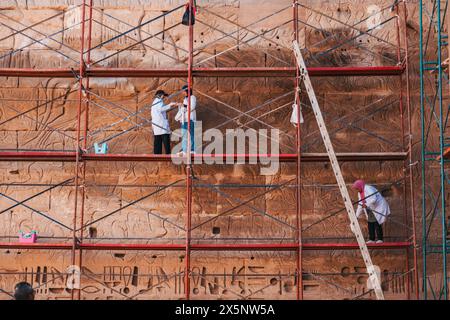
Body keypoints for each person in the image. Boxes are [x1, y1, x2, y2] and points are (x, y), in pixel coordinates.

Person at [352, 179, 391, 244]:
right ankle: (372, 239)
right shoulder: (360, 193)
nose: (357, 190)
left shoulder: (368, 188)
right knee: (370, 223)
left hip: (379, 207)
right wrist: (356, 216)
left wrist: (366, 204)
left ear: (360, 186)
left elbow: (374, 199)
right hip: (371, 208)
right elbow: (360, 205)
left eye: (357, 188)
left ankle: (380, 239)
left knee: (377, 222)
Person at [151, 90, 176, 154]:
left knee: (157, 141)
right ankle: (168, 154)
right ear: (161, 95)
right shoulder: (159, 102)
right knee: (165, 140)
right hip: (161, 124)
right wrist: (170, 104)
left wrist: (170, 106)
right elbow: (161, 109)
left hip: (157, 124)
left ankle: (157, 155)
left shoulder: (154, 102)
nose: (164, 97)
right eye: (163, 96)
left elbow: (160, 110)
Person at [175, 85, 197, 155]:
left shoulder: (192, 97)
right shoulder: (185, 99)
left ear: (187, 91)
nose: (182, 93)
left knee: (191, 134)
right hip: (184, 119)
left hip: (190, 119)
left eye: (183, 91)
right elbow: (184, 108)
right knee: (184, 135)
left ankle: (192, 150)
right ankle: (184, 150)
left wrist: (183, 105)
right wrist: (180, 106)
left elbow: (192, 107)